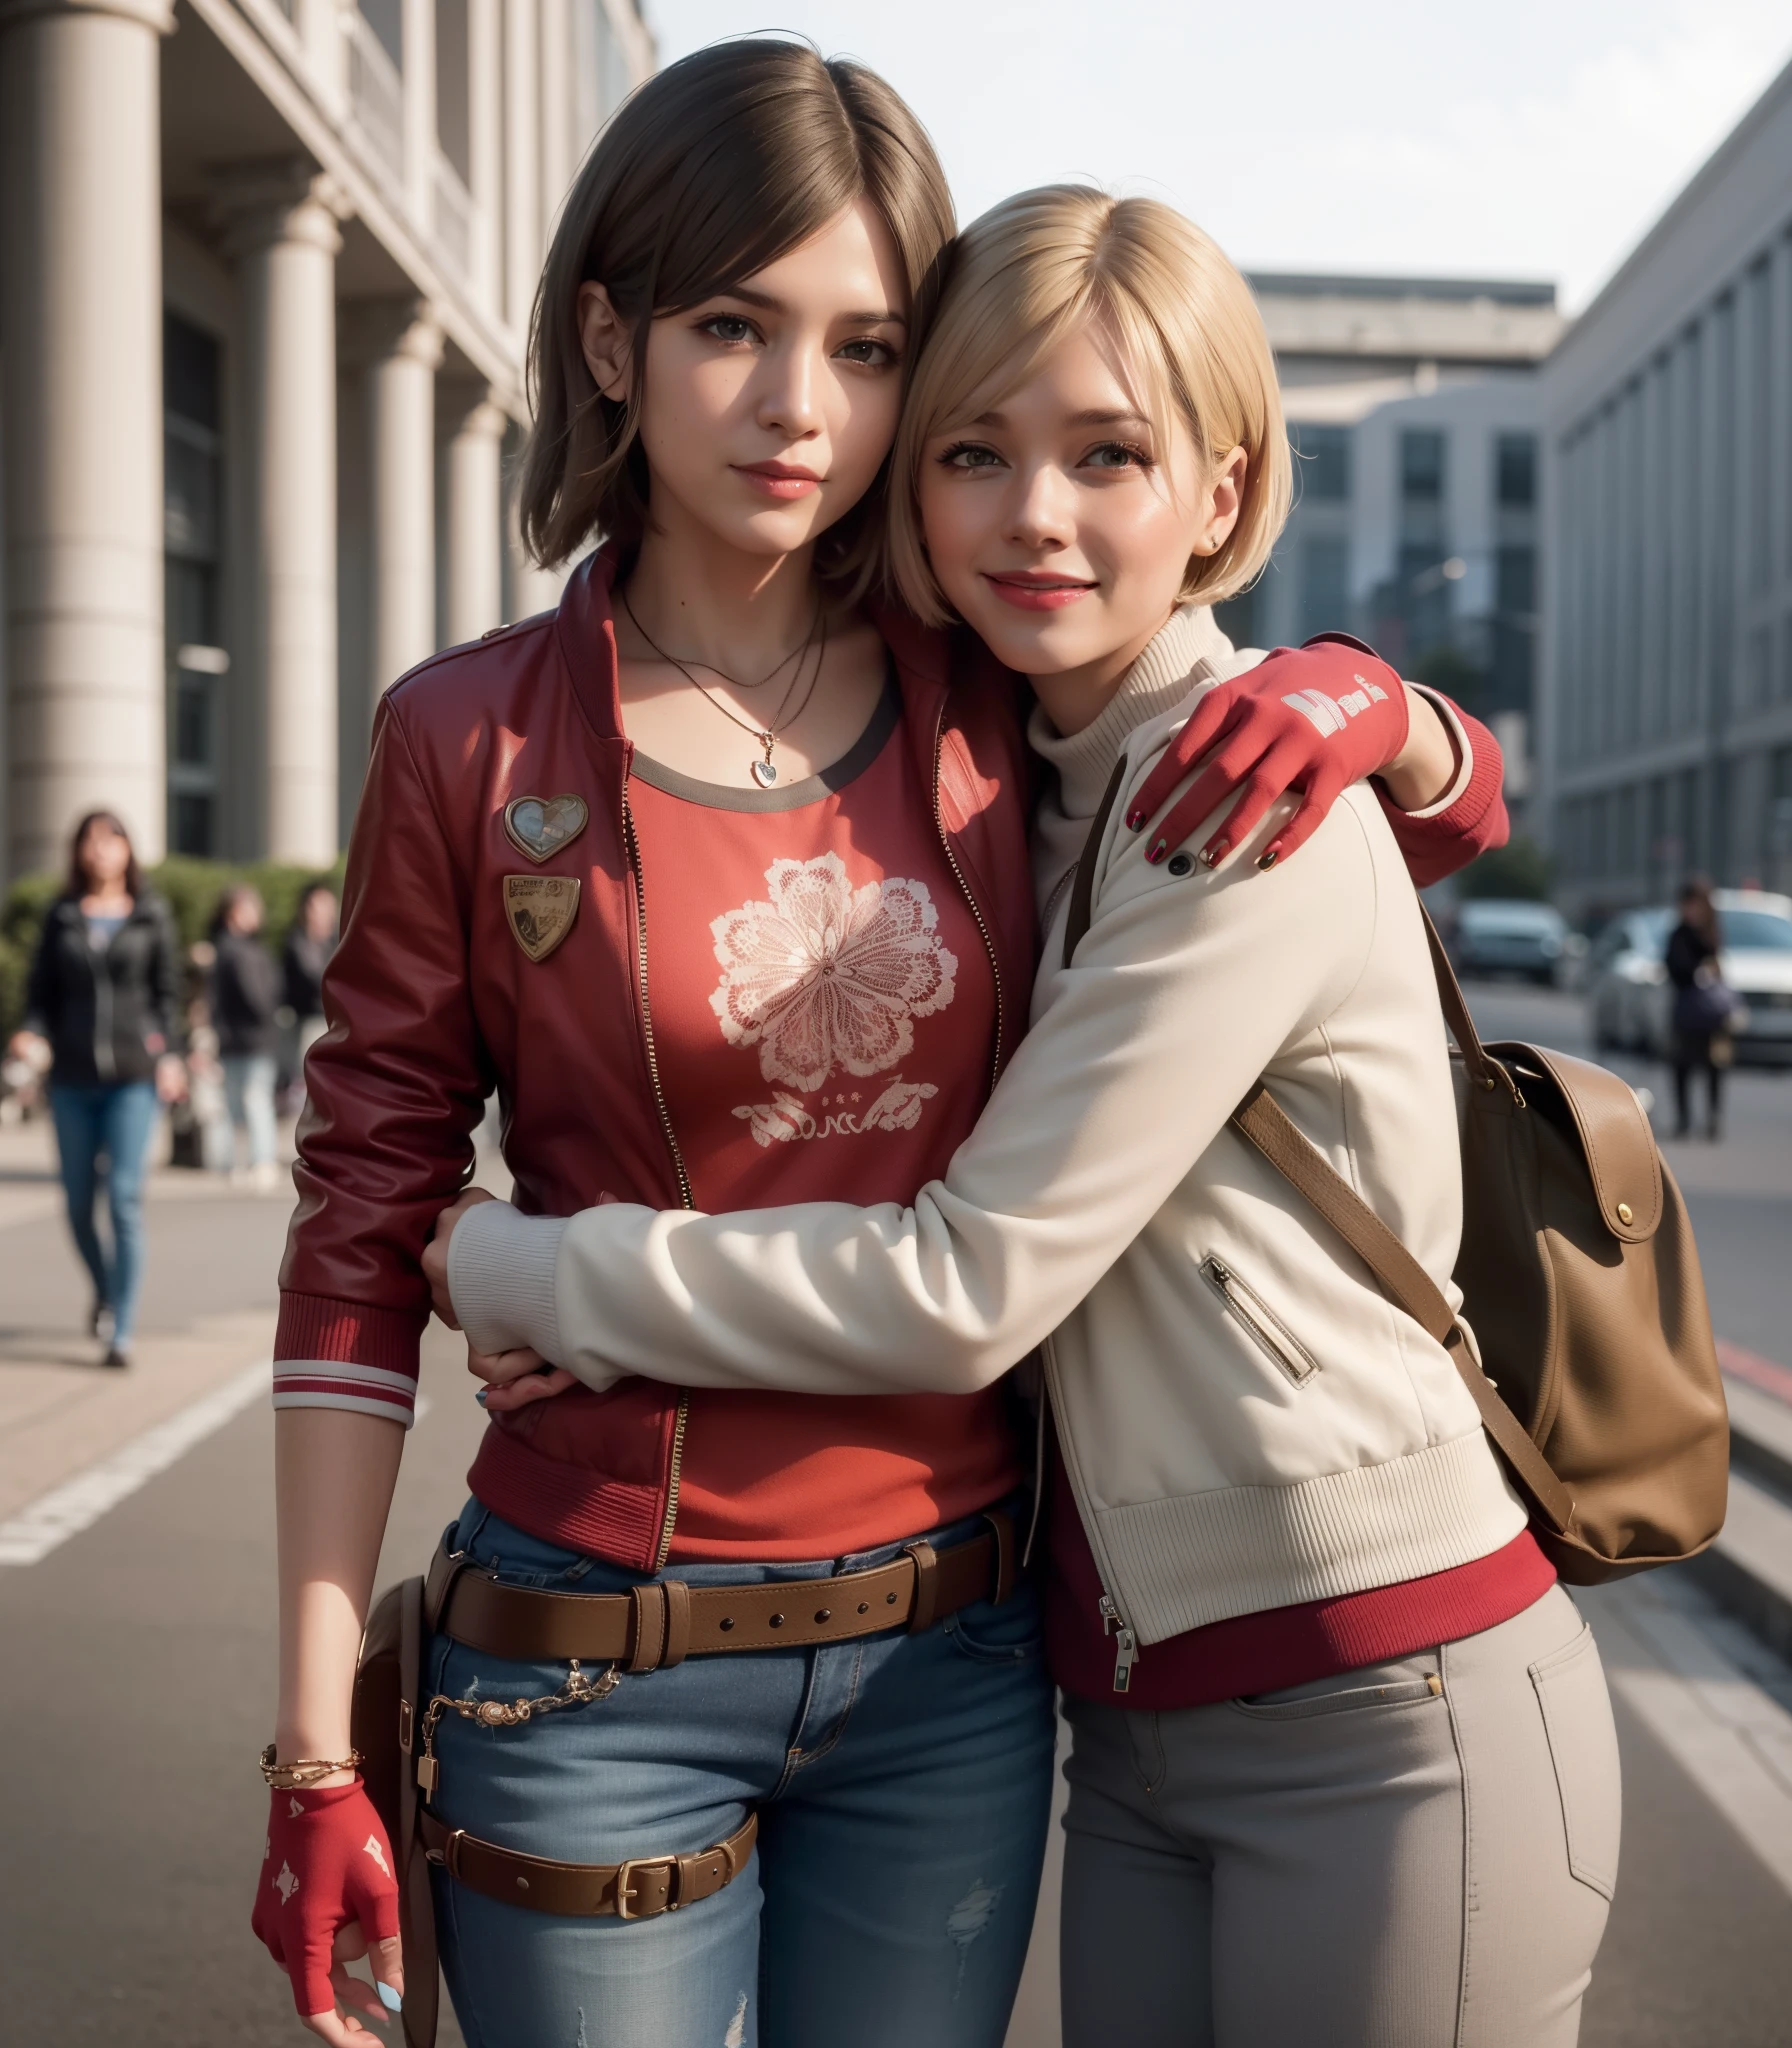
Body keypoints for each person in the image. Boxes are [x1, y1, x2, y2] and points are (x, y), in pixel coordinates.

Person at [248, 46, 1511, 2048]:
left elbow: (1348, 833)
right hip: (587, 1667)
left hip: (959, 1666)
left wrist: (1384, 706)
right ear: (610, 333)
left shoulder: (986, 680)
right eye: (733, 326)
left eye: (862, 343)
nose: (795, 408)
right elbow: (358, 1226)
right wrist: (314, 1749)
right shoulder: (465, 738)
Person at [7, 811, 186, 1369]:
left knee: (126, 1199)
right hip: (72, 1080)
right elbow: (42, 996)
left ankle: (122, 1329)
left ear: (128, 851)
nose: (101, 849)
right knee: (80, 1204)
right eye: (90, 839)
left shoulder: (152, 914)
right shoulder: (61, 917)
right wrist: (30, 1032)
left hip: (133, 1077)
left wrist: (171, 1056)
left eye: (112, 840)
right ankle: (106, 1288)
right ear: (78, 851)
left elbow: (167, 996)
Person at [209, 883, 284, 1190]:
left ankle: (233, 1162)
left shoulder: (229, 948)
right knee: (254, 1101)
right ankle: (260, 1159)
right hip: (252, 1037)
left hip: (237, 1038)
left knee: (235, 1103)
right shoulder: (240, 951)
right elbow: (259, 995)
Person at [1665, 878, 1733, 1141]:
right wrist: (1695, 971)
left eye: (1695, 904)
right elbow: (1674, 968)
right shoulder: (1678, 934)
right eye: (1687, 904)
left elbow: (1719, 967)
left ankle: (1713, 1118)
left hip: (1712, 1013)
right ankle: (1684, 1119)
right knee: (1682, 1065)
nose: (1691, 910)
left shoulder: (1711, 933)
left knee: (1715, 1065)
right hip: (1686, 1010)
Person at [280, 881, 339, 1114]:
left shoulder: (338, 939)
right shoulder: (298, 942)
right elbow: (316, 980)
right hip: (311, 1023)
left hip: (339, 1023)